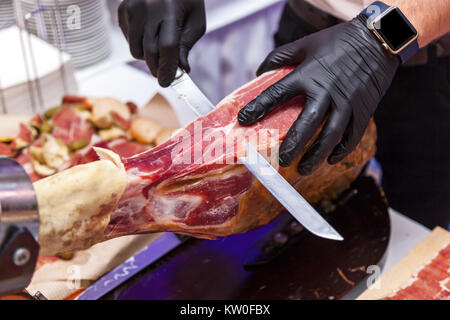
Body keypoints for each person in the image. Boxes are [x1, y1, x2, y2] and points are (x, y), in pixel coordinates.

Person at [118, 0, 450, 229]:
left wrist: (379, 38)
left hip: (426, 54)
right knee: (279, 212)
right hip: (310, 35)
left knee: (416, 224)